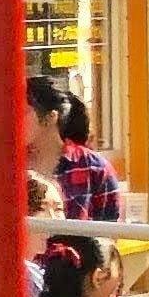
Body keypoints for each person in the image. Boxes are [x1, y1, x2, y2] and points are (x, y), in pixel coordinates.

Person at [31, 76, 123, 222]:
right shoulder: (9, 167)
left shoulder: (93, 167)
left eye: (23, 112)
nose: (13, 121)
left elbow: (110, 229)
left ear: (50, 118)